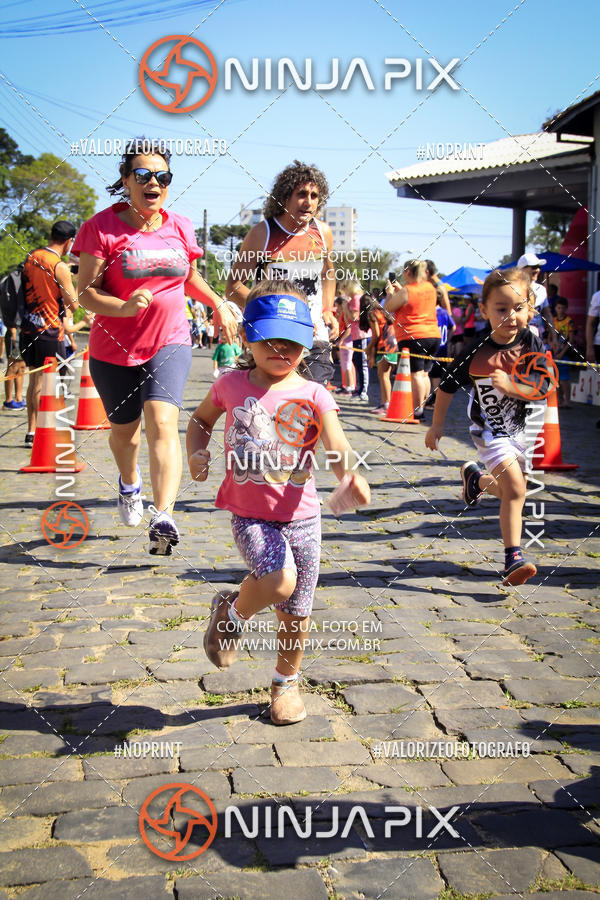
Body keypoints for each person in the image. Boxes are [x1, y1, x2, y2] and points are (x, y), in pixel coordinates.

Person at [187, 280, 370, 725]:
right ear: (248, 336)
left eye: (292, 341)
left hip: (303, 518)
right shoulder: (230, 386)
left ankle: (285, 683)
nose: (280, 349)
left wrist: (350, 475)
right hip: (251, 516)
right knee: (279, 581)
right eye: (269, 339)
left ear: (307, 345)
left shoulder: (314, 394)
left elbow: (337, 443)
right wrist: (196, 450)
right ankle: (232, 617)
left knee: (296, 611)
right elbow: (199, 420)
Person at [72, 137, 237, 556]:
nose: (153, 183)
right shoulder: (100, 227)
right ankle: (130, 484)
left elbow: (189, 278)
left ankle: (163, 514)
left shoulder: (179, 224)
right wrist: (124, 308)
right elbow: (86, 294)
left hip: (170, 341)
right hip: (114, 349)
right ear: (125, 180)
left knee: (163, 424)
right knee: (124, 434)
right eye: (143, 174)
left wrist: (218, 302)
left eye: (162, 176)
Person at [425, 268, 553, 586]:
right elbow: (446, 388)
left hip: (524, 431)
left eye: (519, 308)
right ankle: (514, 557)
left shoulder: (532, 340)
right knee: (518, 490)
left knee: (511, 491)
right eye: (501, 309)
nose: (511, 316)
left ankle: (476, 481)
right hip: (490, 432)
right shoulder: (475, 350)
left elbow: (544, 385)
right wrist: (436, 425)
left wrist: (513, 386)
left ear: (530, 309)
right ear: (484, 311)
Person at [226, 160, 338, 386]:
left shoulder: (323, 232)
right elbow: (233, 287)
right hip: (273, 334)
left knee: (314, 402)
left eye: (314, 196)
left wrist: (327, 309)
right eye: (301, 194)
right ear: (284, 197)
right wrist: (272, 309)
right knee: (273, 403)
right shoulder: (262, 233)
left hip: (313, 333)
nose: (308, 202)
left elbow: (328, 274)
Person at [20, 220, 78, 444]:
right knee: (49, 383)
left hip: (29, 326)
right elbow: (72, 305)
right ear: (68, 241)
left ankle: (31, 431)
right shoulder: (59, 265)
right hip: (50, 329)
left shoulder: (31, 257)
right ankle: (47, 431)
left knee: (34, 380)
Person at [385, 259, 441, 420]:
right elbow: (415, 301)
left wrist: (390, 292)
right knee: (424, 374)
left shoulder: (408, 290)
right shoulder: (429, 288)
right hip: (432, 335)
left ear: (408, 272)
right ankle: (422, 406)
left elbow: (389, 307)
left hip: (413, 336)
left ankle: (417, 411)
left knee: (416, 374)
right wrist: (401, 290)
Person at [365, 293, 398, 415]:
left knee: (383, 376)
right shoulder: (383, 311)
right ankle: (384, 402)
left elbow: (376, 335)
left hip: (385, 345)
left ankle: (387, 404)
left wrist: (368, 349)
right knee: (383, 375)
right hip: (393, 343)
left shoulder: (372, 314)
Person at [517, 253, 553, 339]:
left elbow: (547, 314)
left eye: (539, 267)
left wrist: (554, 336)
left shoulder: (541, 289)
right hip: (518, 338)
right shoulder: (512, 289)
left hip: (538, 338)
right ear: (522, 270)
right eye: (533, 267)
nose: (537, 270)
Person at [429, 299, 455, 401]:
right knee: (439, 374)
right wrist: (447, 339)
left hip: (435, 348)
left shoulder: (433, 313)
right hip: (443, 347)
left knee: (435, 375)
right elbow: (453, 327)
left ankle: (436, 399)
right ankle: (435, 397)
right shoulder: (444, 312)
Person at [552, 297, 575, 408]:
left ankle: (567, 400)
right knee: (556, 379)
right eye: (558, 307)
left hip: (565, 353)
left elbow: (571, 340)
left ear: (566, 308)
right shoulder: (553, 320)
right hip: (555, 352)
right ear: (555, 308)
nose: (560, 310)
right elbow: (550, 337)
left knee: (564, 379)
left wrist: (562, 352)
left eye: (562, 308)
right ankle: (559, 399)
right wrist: (553, 347)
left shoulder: (569, 321)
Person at [333, 296, 355, 395]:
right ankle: (346, 385)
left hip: (347, 342)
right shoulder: (341, 314)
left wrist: (341, 340)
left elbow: (349, 329)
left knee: (347, 365)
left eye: (338, 307)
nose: (336, 309)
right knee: (344, 365)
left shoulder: (345, 314)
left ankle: (350, 387)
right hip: (344, 341)